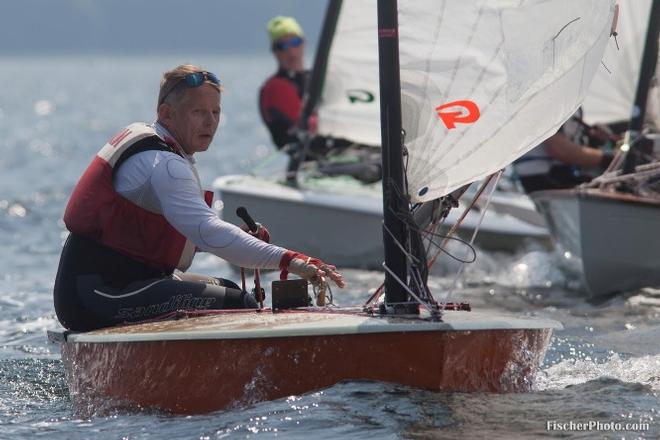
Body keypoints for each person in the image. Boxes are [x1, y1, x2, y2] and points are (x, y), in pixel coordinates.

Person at [54, 64, 345, 332]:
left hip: (109, 286)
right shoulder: (166, 164)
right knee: (237, 304)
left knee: (232, 291)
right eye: (198, 112)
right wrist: (290, 261)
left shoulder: (162, 148)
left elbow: (182, 233)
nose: (210, 122)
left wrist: (244, 238)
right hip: (97, 295)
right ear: (167, 114)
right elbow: (208, 232)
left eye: (216, 112)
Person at [259, 16, 381, 183]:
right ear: (275, 52)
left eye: (295, 42)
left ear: (303, 43)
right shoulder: (275, 88)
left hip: (351, 153)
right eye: (282, 46)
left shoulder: (320, 78)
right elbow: (309, 126)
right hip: (314, 166)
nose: (291, 51)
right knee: (374, 169)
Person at [514, 109, 616, 194]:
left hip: (553, 178)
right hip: (545, 179)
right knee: (618, 187)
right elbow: (560, 150)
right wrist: (610, 158)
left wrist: (591, 141)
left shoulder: (569, 102)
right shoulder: (553, 99)